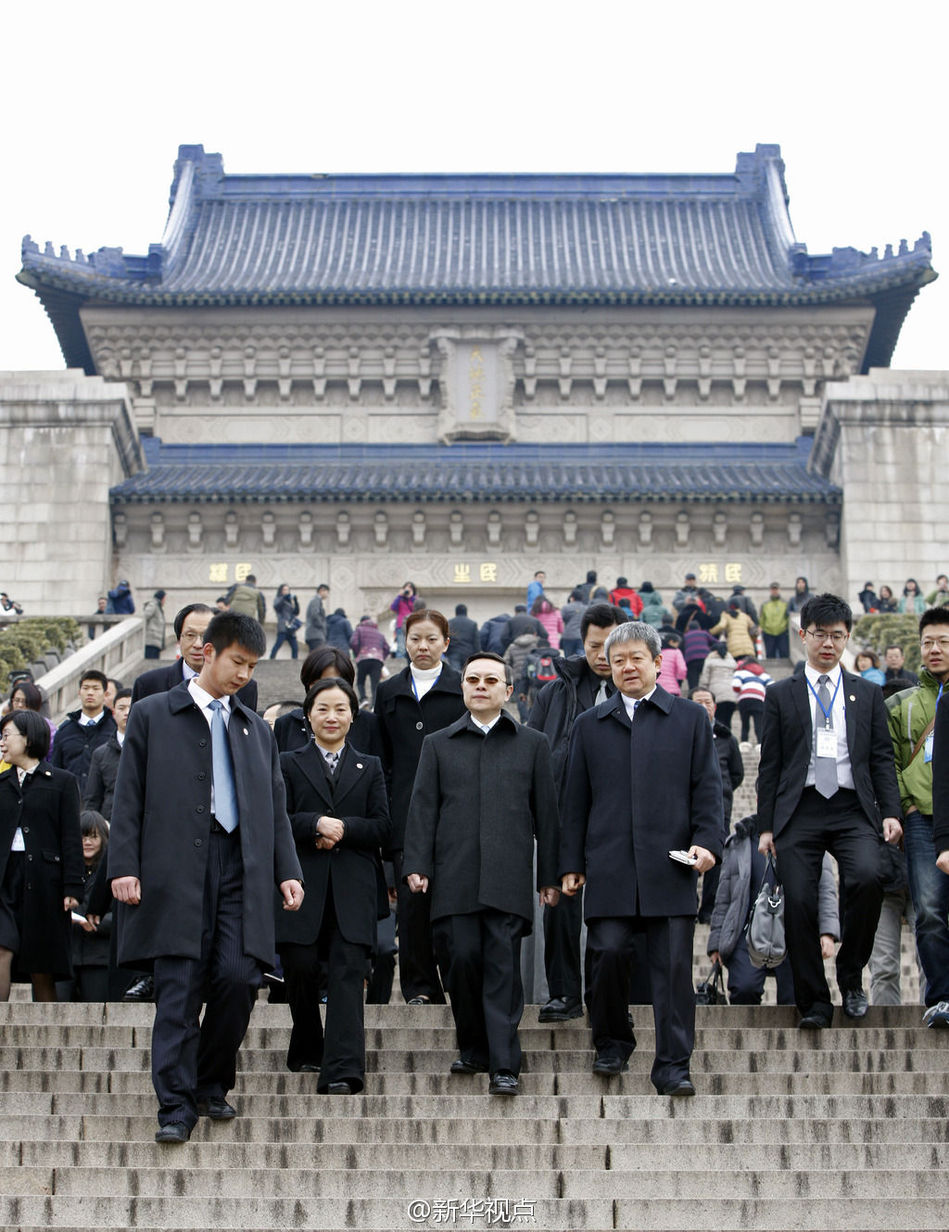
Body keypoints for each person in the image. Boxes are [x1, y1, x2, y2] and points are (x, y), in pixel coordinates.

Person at [109, 611, 304, 1144]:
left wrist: (287, 870)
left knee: (241, 979)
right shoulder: (152, 714)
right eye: (237, 662)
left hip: (241, 868)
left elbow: (274, 806)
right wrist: (123, 866)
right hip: (174, 869)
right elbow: (126, 798)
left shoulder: (253, 728)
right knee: (179, 989)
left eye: (252, 666)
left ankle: (210, 1083)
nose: (244, 674)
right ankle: (174, 1105)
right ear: (207, 652)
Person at [560, 621, 723, 1095]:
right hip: (609, 867)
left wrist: (707, 843)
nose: (628, 667)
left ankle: (673, 1065)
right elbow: (575, 801)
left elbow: (707, 791)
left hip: (670, 866)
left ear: (657, 663)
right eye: (619, 660)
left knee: (672, 969)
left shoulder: (691, 718)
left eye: (638, 658)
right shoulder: (589, 725)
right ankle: (612, 1040)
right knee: (607, 954)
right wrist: (570, 862)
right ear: (608, 668)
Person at [404, 652, 560, 1097]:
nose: (481, 686)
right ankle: (473, 1047)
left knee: (502, 968)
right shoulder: (438, 743)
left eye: (492, 680)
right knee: (462, 963)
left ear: (508, 691)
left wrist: (548, 874)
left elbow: (547, 817)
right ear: (463, 688)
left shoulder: (532, 744)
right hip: (453, 878)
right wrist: (416, 863)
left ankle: (504, 1064)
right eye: (472, 679)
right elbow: (422, 809)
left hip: (508, 879)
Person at [756, 593, 903, 1028]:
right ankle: (814, 1002)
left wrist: (890, 811)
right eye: (819, 635)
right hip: (798, 809)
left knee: (869, 875)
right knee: (799, 900)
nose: (828, 644)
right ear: (803, 636)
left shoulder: (867, 692)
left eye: (837, 636)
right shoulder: (780, 694)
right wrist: (766, 826)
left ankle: (851, 975)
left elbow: (880, 758)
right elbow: (771, 764)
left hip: (851, 806)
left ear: (847, 638)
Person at [277, 678, 390, 1091]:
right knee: (299, 968)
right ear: (308, 715)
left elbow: (383, 826)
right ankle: (308, 1045)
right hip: (300, 885)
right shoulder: (287, 762)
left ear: (353, 716)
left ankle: (344, 1070)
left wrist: (342, 828)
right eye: (323, 708)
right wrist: (312, 824)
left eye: (341, 708)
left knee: (348, 975)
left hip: (353, 887)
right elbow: (276, 819)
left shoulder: (370, 765)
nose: (332, 716)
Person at [527, 604, 628, 1021]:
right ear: (580, 644)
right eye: (594, 646)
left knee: (619, 917)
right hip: (565, 817)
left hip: (620, 820)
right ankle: (564, 994)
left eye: (612, 645)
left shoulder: (638, 689)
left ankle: (615, 1001)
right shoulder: (557, 691)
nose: (603, 655)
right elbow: (532, 750)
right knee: (561, 912)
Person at [374, 610, 466, 1005]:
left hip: (453, 817)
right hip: (403, 815)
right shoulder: (389, 691)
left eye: (431, 639)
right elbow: (381, 758)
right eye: (415, 639)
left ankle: (457, 983)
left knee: (449, 904)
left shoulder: (462, 686)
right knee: (411, 909)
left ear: (446, 643)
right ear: (404, 641)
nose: (422, 647)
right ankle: (420, 988)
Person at [885, 608, 949, 1025]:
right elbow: (887, 761)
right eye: (928, 642)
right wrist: (906, 807)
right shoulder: (901, 703)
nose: (935, 649)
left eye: (944, 641)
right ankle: (941, 996)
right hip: (922, 820)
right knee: (927, 910)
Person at [708, 814, 838, 1005]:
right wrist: (715, 942)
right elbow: (724, 896)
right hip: (746, 932)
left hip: (794, 932)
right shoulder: (739, 841)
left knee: (795, 1000)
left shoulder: (810, 836)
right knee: (744, 990)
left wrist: (827, 932)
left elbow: (825, 888)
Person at [0, 709, 84, 1002]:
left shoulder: (61, 781)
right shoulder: (2, 784)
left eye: (7, 735)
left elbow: (71, 836)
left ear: (28, 738)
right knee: (2, 945)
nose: (2, 742)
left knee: (42, 964)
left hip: (45, 880)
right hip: (5, 877)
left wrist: (73, 886)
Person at [132, 602, 258, 711]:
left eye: (206, 636)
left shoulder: (244, 687)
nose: (198, 644)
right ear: (179, 639)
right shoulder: (148, 684)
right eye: (190, 635)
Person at [690, 687, 743, 923]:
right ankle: (689, 906)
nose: (704, 706)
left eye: (708, 702)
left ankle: (709, 909)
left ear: (715, 706)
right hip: (688, 807)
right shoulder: (681, 733)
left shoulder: (727, 738)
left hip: (720, 807)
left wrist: (724, 791)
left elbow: (737, 773)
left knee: (714, 856)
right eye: (698, 702)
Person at [273, 647, 382, 759]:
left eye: (336, 682)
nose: (327, 690)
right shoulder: (287, 724)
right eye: (318, 683)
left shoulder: (369, 723)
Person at [57, 810, 112, 1002]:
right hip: (64, 956)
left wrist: (96, 923)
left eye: (93, 836)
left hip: (98, 958)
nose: (87, 842)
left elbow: (120, 914)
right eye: (82, 836)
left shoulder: (111, 873)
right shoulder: (61, 870)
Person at [49, 670, 117, 795]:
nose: (90, 692)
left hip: (103, 803)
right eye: (86, 688)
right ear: (79, 693)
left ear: (105, 693)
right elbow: (56, 767)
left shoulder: (114, 728)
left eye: (96, 688)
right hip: (70, 800)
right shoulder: (65, 730)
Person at [84, 688, 131, 818]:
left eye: (131, 708)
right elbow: (93, 798)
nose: (127, 713)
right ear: (114, 712)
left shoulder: (150, 749)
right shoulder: (101, 754)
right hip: (109, 823)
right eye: (121, 708)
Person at [732, 656, 772, 748]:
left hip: (744, 699)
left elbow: (736, 685)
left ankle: (744, 742)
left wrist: (738, 695)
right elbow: (771, 686)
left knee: (744, 722)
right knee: (759, 722)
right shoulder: (764, 674)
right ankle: (760, 743)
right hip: (759, 699)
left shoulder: (740, 672)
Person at [350, 615, 391, 707]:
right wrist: (381, 657)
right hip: (377, 660)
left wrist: (358, 653)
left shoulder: (359, 629)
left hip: (363, 658)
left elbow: (353, 642)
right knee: (375, 684)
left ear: (361, 622)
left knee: (360, 681)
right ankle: (374, 705)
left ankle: (363, 699)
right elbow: (387, 648)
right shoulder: (379, 633)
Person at [697, 642, 738, 732]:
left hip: (717, 694)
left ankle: (719, 741)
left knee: (718, 720)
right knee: (728, 720)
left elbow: (705, 678)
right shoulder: (732, 661)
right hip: (731, 694)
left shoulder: (710, 660)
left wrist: (701, 690)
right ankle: (728, 739)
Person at [269, 584, 301, 660]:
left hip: (290, 627)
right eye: (284, 590)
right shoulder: (278, 599)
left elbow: (296, 612)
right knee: (278, 644)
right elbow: (277, 607)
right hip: (283, 626)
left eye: (287, 590)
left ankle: (294, 661)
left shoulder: (290, 601)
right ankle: (271, 659)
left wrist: (296, 602)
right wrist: (284, 598)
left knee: (295, 647)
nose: (286, 591)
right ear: (281, 591)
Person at [759, 583, 789, 658]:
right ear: (770, 590)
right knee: (770, 655)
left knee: (784, 654)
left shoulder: (785, 604)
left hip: (782, 632)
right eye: (773, 589)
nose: (774, 591)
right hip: (768, 633)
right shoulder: (765, 605)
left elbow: (787, 617)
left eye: (776, 589)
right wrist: (761, 627)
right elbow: (762, 618)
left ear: (779, 590)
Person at [447, 604, 479, 672]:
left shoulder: (450, 623)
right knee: (467, 673)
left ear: (456, 612)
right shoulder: (472, 624)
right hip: (468, 653)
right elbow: (476, 642)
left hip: (453, 652)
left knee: (455, 674)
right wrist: (477, 654)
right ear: (466, 612)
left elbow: (446, 638)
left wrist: (446, 653)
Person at [390, 583, 417, 658]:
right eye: (406, 588)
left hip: (412, 625)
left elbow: (416, 609)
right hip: (400, 624)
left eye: (410, 588)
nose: (407, 590)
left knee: (412, 646)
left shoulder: (414, 599)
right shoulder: (400, 599)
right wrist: (399, 596)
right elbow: (393, 608)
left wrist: (411, 597)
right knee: (401, 647)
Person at [560, 591, 587, 658]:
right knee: (581, 658)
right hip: (581, 636)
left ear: (572, 598)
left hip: (568, 635)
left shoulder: (566, 608)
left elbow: (561, 619)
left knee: (568, 658)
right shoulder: (586, 608)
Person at [142, 590, 167, 660]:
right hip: (151, 641)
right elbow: (145, 616)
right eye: (164, 599)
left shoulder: (158, 607)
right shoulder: (153, 605)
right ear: (161, 598)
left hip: (156, 642)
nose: (165, 601)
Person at [304, 584, 330, 651]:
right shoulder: (316, 600)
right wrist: (321, 626)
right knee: (319, 656)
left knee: (314, 657)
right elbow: (315, 615)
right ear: (321, 590)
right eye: (327, 592)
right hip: (315, 634)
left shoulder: (316, 600)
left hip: (314, 634)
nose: (327, 594)